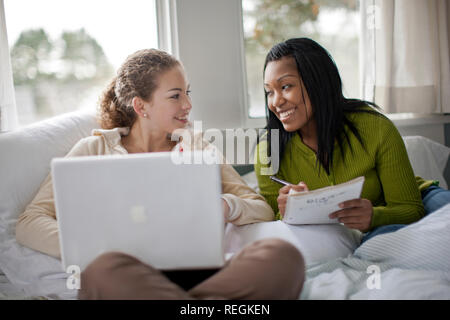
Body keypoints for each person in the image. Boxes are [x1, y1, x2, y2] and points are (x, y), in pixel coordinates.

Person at [16, 49, 305, 299]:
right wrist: (97, 244)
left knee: (282, 257)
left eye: (187, 93)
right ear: (141, 106)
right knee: (101, 273)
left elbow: (261, 210)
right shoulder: (94, 148)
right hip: (130, 275)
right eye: (175, 96)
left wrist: (225, 205)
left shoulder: (196, 147)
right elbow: (30, 222)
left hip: (201, 273)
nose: (188, 105)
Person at [254, 38, 450, 244]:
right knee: (383, 244)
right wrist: (289, 213)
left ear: (318, 83)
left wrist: (373, 216)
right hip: (368, 231)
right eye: (269, 92)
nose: (276, 102)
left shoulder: (373, 126)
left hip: (415, 202)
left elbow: (411, 209)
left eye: (285, 86)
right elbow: (275, 224)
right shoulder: (268, 152)